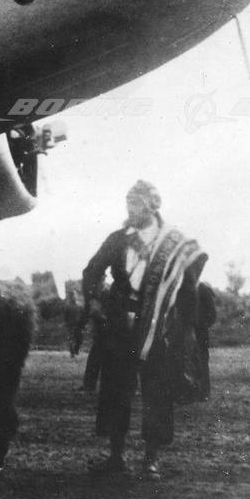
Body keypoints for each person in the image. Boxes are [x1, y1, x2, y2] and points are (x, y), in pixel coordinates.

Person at [77, 180, 207, 481]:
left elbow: (188, 290)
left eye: (135, 203)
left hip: (157, 327)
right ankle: (116, 456)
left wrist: (183, 326)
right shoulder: (118, 239)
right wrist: (93, 301)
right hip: (118, 325)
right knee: (115, 389)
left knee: (157, 392)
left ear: (152, 205)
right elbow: (91, 271)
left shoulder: (175, 245)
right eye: (128, 203)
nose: (130, 209)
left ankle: (151, 460)